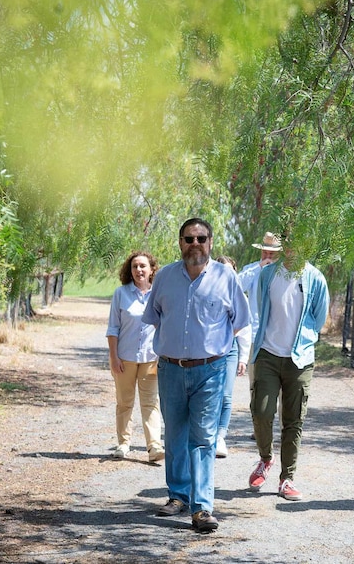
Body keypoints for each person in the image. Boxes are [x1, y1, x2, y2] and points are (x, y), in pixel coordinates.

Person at [142, 218, 250, 534]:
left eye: (201, 238)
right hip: (171, 368)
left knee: (202, 438)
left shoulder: (226, 276)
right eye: (189, 238)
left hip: (210, 371)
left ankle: (202, 508)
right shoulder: (163, 278)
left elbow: (240, 320)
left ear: (210, 242)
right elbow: (153, 317)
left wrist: (212, 348)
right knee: (175, 434)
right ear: (180, 242)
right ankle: (177, 496)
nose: (195, 244)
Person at [247, 237, 329, 502]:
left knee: (293, 419)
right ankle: (265, 458)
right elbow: (261, 308)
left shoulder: (315, 278)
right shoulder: (268, 274)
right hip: (268, 354)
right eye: (291, 239)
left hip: (300, 358)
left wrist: (304, 342)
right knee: (261, 411)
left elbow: (318, 318)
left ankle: (287, 478)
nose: (295, 245)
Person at [105, 251, 165, 463]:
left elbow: (164, 327)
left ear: (151, 270)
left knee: (151, 403)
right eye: (134, 266)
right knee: (124, 402)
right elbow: (113, 328)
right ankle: (123, 443)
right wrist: (114, 357)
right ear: (129, 271)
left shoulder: (158, 294)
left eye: (143, 266)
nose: (139, 270)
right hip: (125, 358)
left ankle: (154, 447)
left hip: (151, 358)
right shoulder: (121, 294)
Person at [214, 255, 252, 458]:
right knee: (209, 394)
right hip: (207, 351)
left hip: (230, 350)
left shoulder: (240, 297)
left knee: (226, 395)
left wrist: (243, 358)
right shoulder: (206, 291)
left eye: (230, 270)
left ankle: (220, 436)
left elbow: (245, 329)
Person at [238, 232, 282, 392]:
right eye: (265, 252)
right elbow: (238, 287)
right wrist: (259, 268)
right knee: (255, 383)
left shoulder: (284, 272)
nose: (267, 255)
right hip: (255, 336)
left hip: (278, 337)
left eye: (272, 253)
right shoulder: (251, 269)